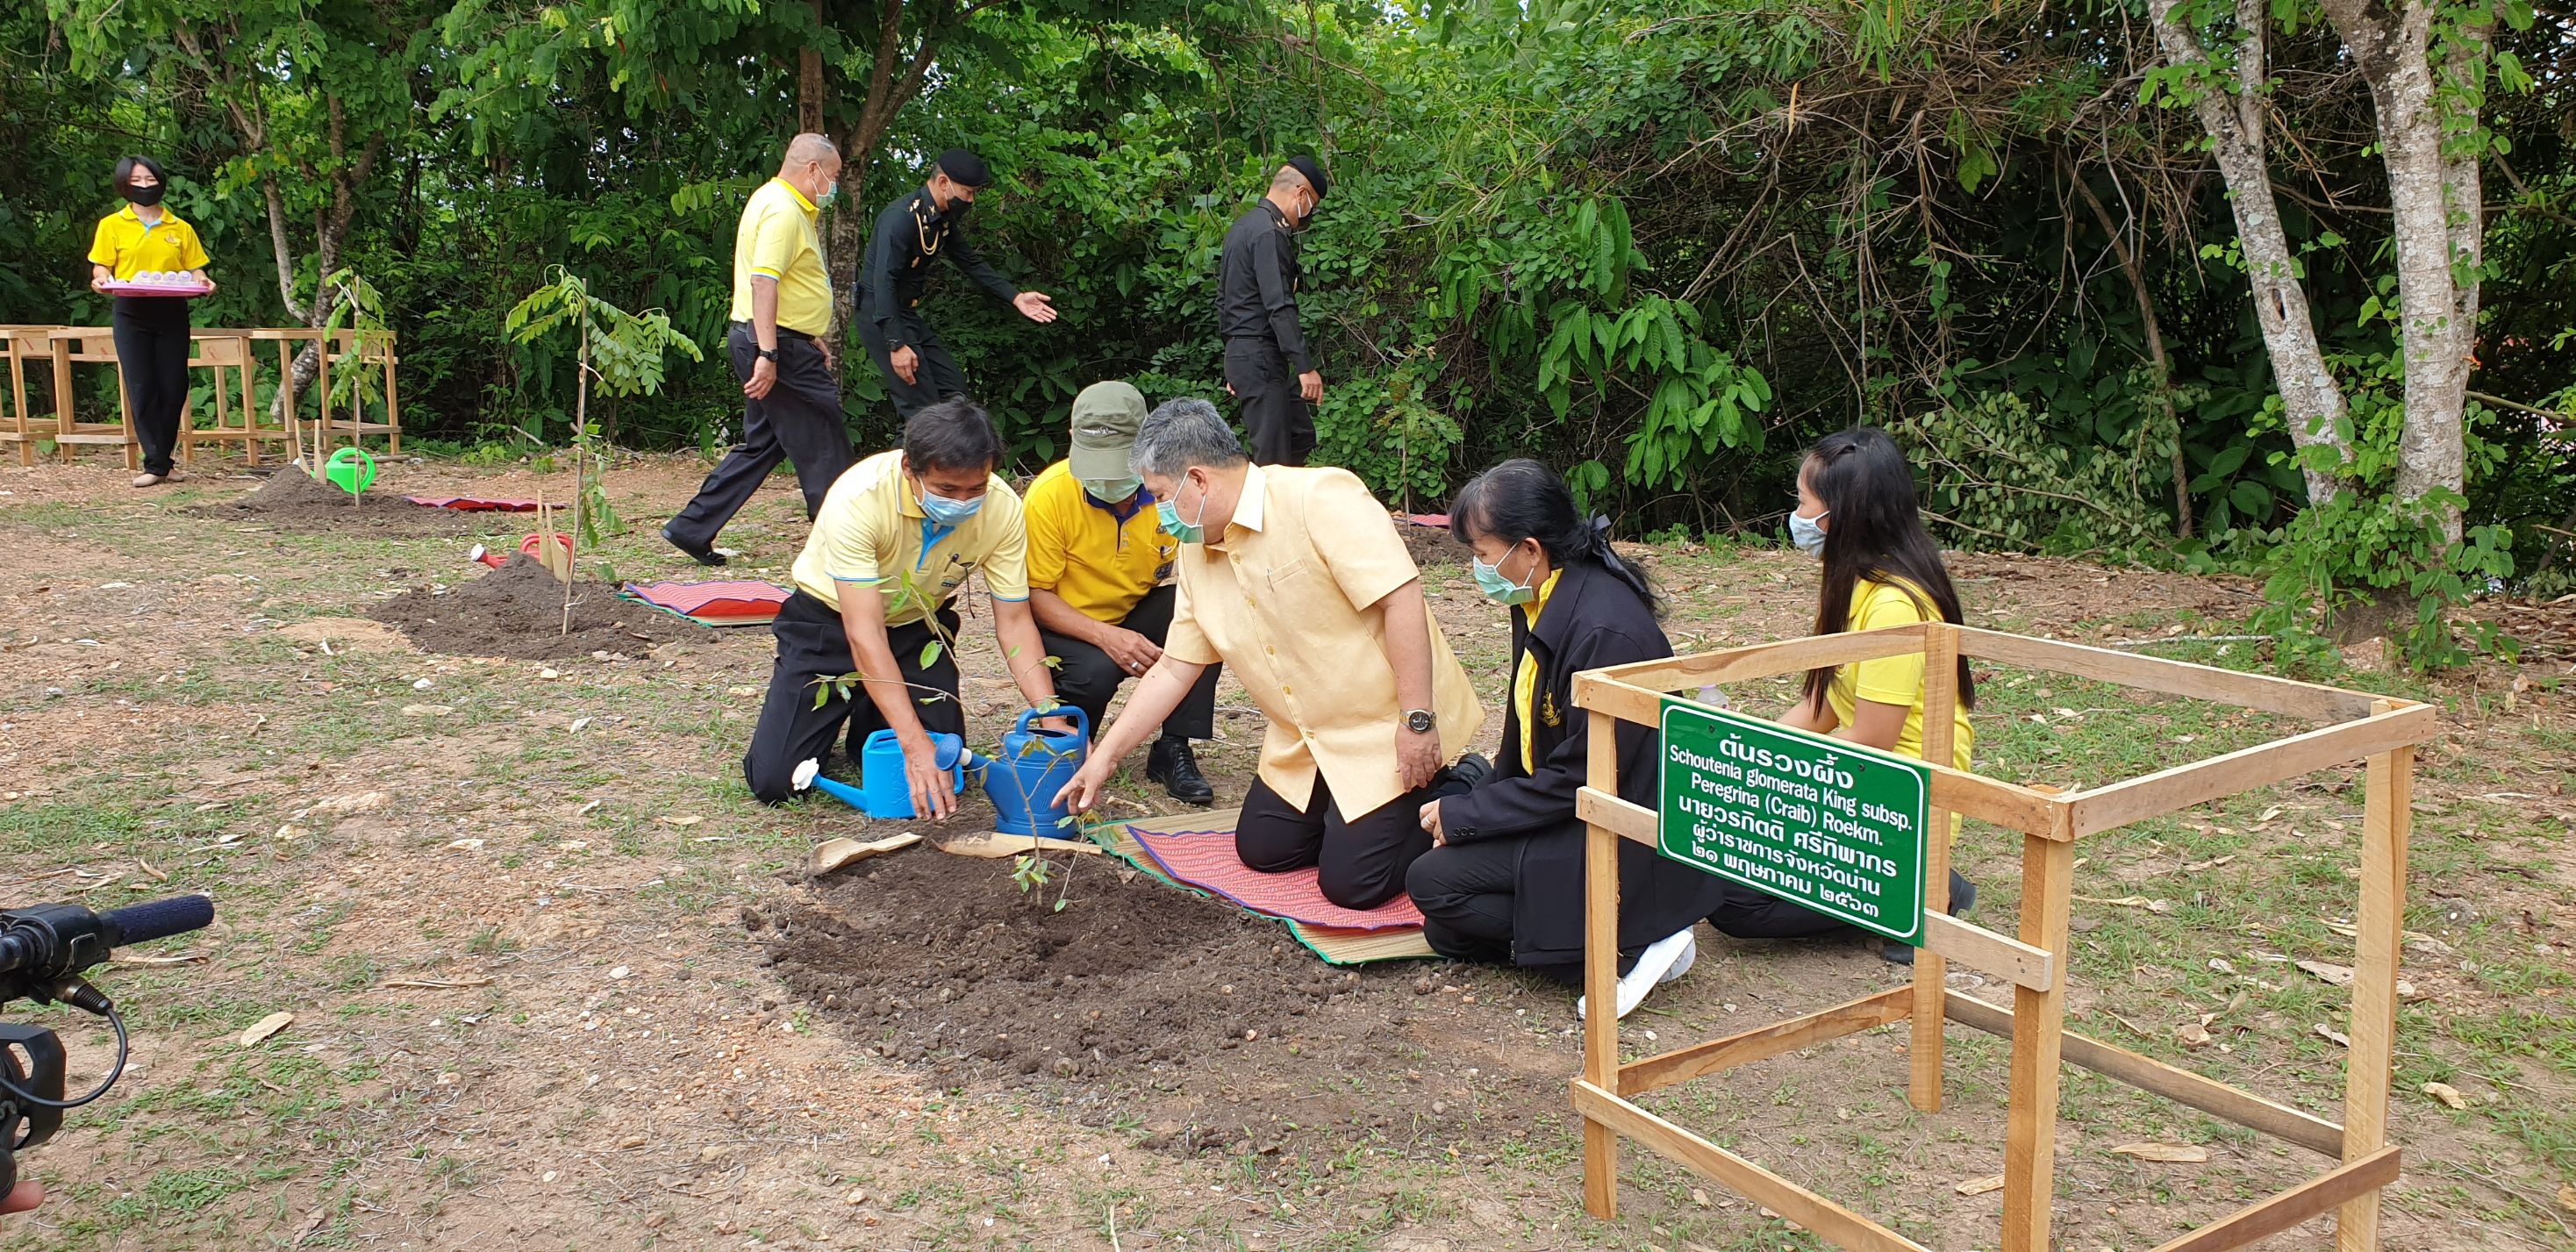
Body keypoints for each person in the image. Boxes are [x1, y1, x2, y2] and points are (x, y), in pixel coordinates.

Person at [1055, 398, 1485, 910]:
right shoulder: (1197, 552)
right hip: (1304, 738)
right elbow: (1175, 666)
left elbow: (1401, 598)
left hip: (1383, 729)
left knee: (1353, 885)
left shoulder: (1319, 498)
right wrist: (1104, 757)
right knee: (1264, 850)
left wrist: (1416, 721)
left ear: (1198, 480)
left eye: (1161, 495)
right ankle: (1351, 809)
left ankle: (1465, 784)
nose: (1157, 510)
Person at [1405, 461, 1728, 1019]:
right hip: (1572, 804)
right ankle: (1587, 932)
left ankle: (1635, 939)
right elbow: (1526, 731)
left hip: (1627, 829)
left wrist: (1469, 817)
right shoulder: (1542, 594)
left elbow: (1584, 777)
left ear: (1528, 548)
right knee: (1447, 928)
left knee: (1434, 884)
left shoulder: (1605, 630)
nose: (1477, 569)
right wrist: (1475, 817)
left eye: (1482, 554)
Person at [1706, 426, 1978, 958]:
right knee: (1718, 850)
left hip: (1898, 802)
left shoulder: (1896, 605)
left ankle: (1916, 894)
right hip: (1858, 784)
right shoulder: (1854, 583)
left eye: (1805, 503)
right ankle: (1903, 888)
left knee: (1731, 899)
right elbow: (1826, 703)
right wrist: (1748, 755)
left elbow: (1874, 740)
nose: (1798, 516)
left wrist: (1779, 784)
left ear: (1842, 515)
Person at [742, 399, 1070, 813]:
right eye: (947, 489)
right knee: (778, 782)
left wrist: (1051, 718)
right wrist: (914, 745)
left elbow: (1015, 620)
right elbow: (864, 632)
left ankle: (871, 717)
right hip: (830, 625)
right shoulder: (859, 498)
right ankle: (867, 703)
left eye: (976, 488)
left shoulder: (1003, 508)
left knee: (946, 769)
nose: (963, 501)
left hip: (918, 627)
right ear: (909, 469)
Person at [1022, 381, 1223, 805]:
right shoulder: (1049, 495)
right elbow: (1036, 596)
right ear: (1073, 440)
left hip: (1131, 610)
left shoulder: (1171, 493)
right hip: (1067, 624)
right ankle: (1073, 741)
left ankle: (1173, 748)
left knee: (1203, 614)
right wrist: (1106, 636)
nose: (1107, 480)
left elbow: (1196, 569)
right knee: (1094, 670)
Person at [664, 134, 855, 566]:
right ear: (813, 170)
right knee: (825, 439)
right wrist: (770, 354)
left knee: (764, 443)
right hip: (775, 346)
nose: (835, 185)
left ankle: (691, 527)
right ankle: (841, 545)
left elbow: (782, 285)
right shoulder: (785, 211)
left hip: (780, 338)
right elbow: (763, 282)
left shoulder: (770, 199)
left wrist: (809, 334)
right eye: (835, 175)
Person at [858, 149, 1059, 419]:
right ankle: (904, 460)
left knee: (954, 394)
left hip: (905, 313)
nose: (971, 200)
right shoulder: (903, 218)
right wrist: (896, 344)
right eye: (967, 192)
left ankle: (936, 456)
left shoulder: (941, 220)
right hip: (881, 314)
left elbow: (970, 262)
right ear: (944, 183)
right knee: (921, 409)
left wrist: (1016, 297)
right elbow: (883, 281)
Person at [87, 155, 213, 489]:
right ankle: (156, 463)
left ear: (160, 181)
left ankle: (162, 459)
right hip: (130, 312)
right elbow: (101, 266)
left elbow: (196, 268)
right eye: (137, 181)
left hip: (171, 311)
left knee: (173, 386)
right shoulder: (112, 225)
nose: (144, 186)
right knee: (141, 387)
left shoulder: (180, 227)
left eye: (150, 180)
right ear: (124, 185)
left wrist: (203, 282)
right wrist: (101, 279)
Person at [1214, 157, 1327, 466]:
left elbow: (1224, 300)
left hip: (1251, 355)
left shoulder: (1243, 227)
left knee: (1300, 434)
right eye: (1312, 206)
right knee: (1273, 457)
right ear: (1301, 194)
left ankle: (1289, 508)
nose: (1309, 216)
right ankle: (1265, 512)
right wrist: (1305, 367)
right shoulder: (1269, 233)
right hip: (1259, 354)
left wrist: (1235, 359)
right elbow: (1279, 305)